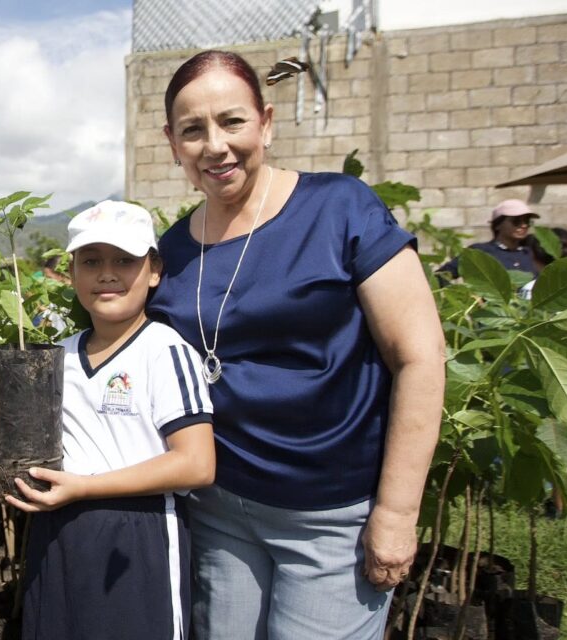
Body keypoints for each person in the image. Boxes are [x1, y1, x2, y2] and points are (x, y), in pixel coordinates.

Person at [148, 50, 445, 639]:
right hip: (219, 510)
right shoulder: (174, 250)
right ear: (172, 142)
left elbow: (420, 356)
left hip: (330, 519)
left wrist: (397, 512)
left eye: (232, 121)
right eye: (192, 130)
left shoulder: (339, 208)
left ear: (267, 122)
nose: (215, 146)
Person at [6, 201, 217, 640]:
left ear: (154, 269)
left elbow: (197, 464)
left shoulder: (165, 351)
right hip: (57, 534)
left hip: (139, 535)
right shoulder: (56, 356)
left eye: (125, 260)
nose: (107, 273)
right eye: (91, 261)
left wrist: (84, 486)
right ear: (72, 271)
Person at [439, 199, 541, 278]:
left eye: (527, 221)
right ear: (498, 225)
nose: (523, 226)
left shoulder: (530, 253)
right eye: (516, 221)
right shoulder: (480, 252)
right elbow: (441, 276)